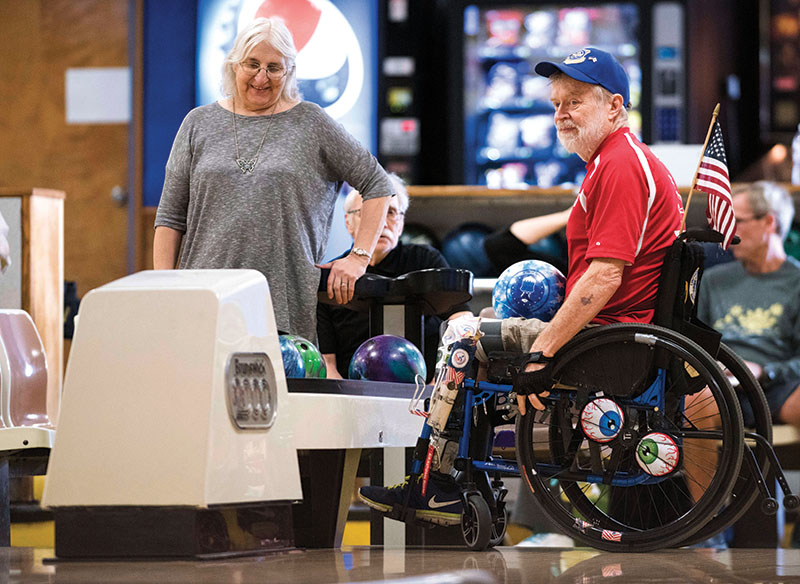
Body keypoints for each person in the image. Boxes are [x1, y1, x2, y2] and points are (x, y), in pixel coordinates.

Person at [359, 47, 684, 527]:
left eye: (575, 101)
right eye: (557, 103)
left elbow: (604, 276)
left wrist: (542, 352)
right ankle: (461, 479)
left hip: (609, 342)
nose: (561, 114)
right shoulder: (614, 160)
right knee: (487, 322)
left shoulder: (621, 165)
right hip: (615, 331)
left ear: (615, 105)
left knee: (464, 336)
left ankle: (437, 484)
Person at [153, 17, 392, 342]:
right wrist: (165, 289)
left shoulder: (311, 122)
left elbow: (377, 184)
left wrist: (359, 257)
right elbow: (170, 217)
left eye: (274, 68)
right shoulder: (198, 123)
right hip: (203, 303)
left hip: (283, 309)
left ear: (289, 71)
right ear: (234, 65)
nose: (261, 77)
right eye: (252, 64)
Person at [317, 174, 472, 378]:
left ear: (401, 223)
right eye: (369, 212)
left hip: (427, 387)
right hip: (353, 389)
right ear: (348, 222)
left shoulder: (426, 261)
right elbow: (328, 365)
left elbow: (463, 321)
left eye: (390, 212)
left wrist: (440, 382)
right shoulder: (332, 276)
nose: (381, 222)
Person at [698, 181, 800, 430]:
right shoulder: (713, 279)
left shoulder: (796, 281)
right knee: (695, 403)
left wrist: (765, 372)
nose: (727, 232)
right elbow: (696, 343)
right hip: (721, 385)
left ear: (769, 221)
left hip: (779, 386)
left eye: (737, 221)